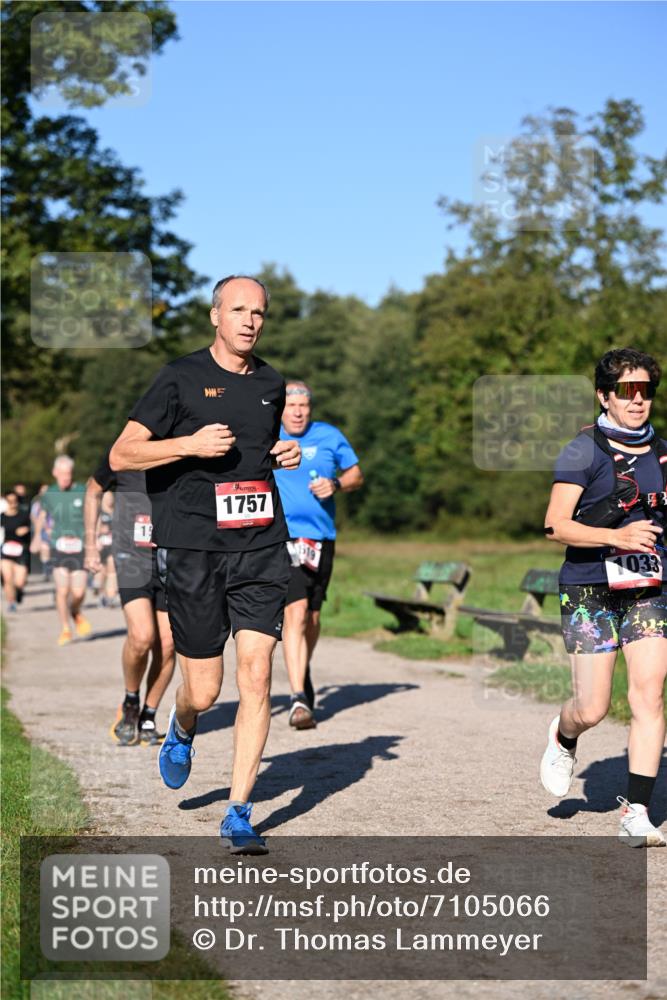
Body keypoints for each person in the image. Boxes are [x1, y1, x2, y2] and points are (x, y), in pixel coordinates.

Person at [109, 275, 300, 853]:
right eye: (238, 309)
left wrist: (281, 454)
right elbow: (123, 453)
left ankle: (240, 812)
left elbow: (255, 453)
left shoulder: (271, 383)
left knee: (259, 676)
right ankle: (183, 723)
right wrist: (187, 445)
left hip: (261, 544)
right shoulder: (179, 377)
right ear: (215, 315)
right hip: (193, 548)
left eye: (259, 312)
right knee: (206, 689)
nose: (250, 320)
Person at [542, 348, 667, 847]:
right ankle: (564, 734)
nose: (637, 401)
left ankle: (637, 812)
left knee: (649, 691)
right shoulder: (582, 450)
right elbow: (556, 525)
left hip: (647, 587)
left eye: (646, 391)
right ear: (604, 396)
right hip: (588, 585)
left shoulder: (662, 452)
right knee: (592, 708)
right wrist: (616, 536)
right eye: (626, 391)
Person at [274, 381, 364, 729]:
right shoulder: (270, 436)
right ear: (281, 408)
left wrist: (336, 484)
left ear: (310, 409)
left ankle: (301, 669)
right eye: (291, 405)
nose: (297, 412)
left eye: (303, 406)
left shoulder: (329, 435)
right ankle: (298, 699)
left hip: (322, 538)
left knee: (311, 617)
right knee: (294, 612)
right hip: (283, 537)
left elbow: (356, 473)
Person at [85, 452, 176, 747]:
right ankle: (130, 700)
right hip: (132, 557)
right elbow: (93, 490)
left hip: (172, 557)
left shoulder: (183, 447)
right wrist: (90, 544)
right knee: (141, 637)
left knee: (168, 642)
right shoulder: (125, 452)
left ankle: (149, 714)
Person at [34, 456, 91, 645]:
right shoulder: (49, 494)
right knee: (62, 589)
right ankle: (65, 628)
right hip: (58, 546)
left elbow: (92, 514)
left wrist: (94, 539)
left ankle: (75, 610)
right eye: (62, 474)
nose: (66, 477)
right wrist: (37, 537)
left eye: (69, 473)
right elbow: (42, 515)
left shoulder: (82, 490)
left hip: (80, 545)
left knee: (79, 592)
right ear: (54, 473)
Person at [1, 490, 31, 612]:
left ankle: (19, 591)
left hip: (21, 550)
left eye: (15, 501)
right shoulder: (2, 517)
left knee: (19, 581)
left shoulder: (24, 515)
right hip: (6, 550)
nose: (13, 504)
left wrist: (27, 530)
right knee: (8, 578)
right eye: (10, 501)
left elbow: (33, 529)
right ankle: (11, 602)